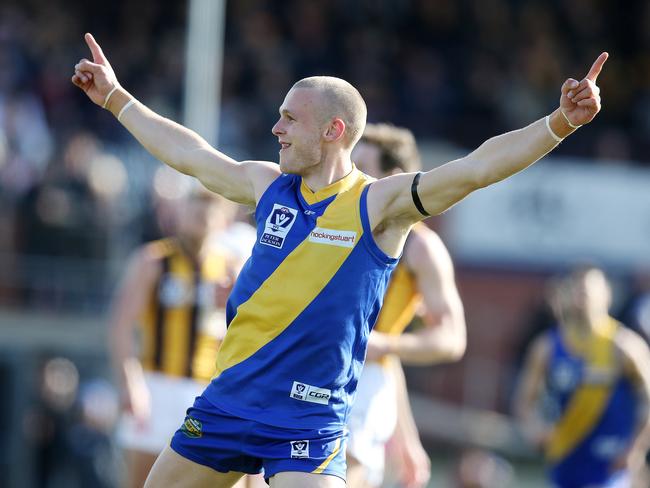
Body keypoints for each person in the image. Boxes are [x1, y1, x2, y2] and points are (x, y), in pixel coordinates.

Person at [72, 31, 607, 488]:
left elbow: (474, 169)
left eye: (289, 119)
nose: (276, 129)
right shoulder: (268, 186)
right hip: (226, 403)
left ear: (332, 131)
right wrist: (117, 98)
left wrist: (558, 123)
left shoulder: (379, 204)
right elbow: (191, 155)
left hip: (308, 420)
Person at [346, 124, 466, 488]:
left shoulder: (421, 248)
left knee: (344, 474)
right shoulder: (342, 224)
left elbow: (451, 338)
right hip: (318, 367)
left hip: (362, 383)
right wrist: (407, 436)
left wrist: (383, 344)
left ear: (394, 178)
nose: (353, 179)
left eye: (363, 168)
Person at [108, 190, 254, 488]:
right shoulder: (154, 260)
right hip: (156, 384)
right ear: (180, 213)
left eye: (209, 212)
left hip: (206, 390)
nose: (201, 219)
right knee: (143, 481)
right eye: (195, 210)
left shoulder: (231, 268)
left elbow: (249, 333)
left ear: (223, 220)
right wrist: (130, 382)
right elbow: (121, 324)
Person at [514, 266, 650, 488]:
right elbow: (524, 400)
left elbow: (648, 400)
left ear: (606, 294)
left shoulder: (625, 346)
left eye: (587, 290)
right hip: (565, 459)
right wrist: (534, 429)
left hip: (610, 468)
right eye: (575, 289)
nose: (580, 296)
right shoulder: (547, 347)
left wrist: (636, 448)